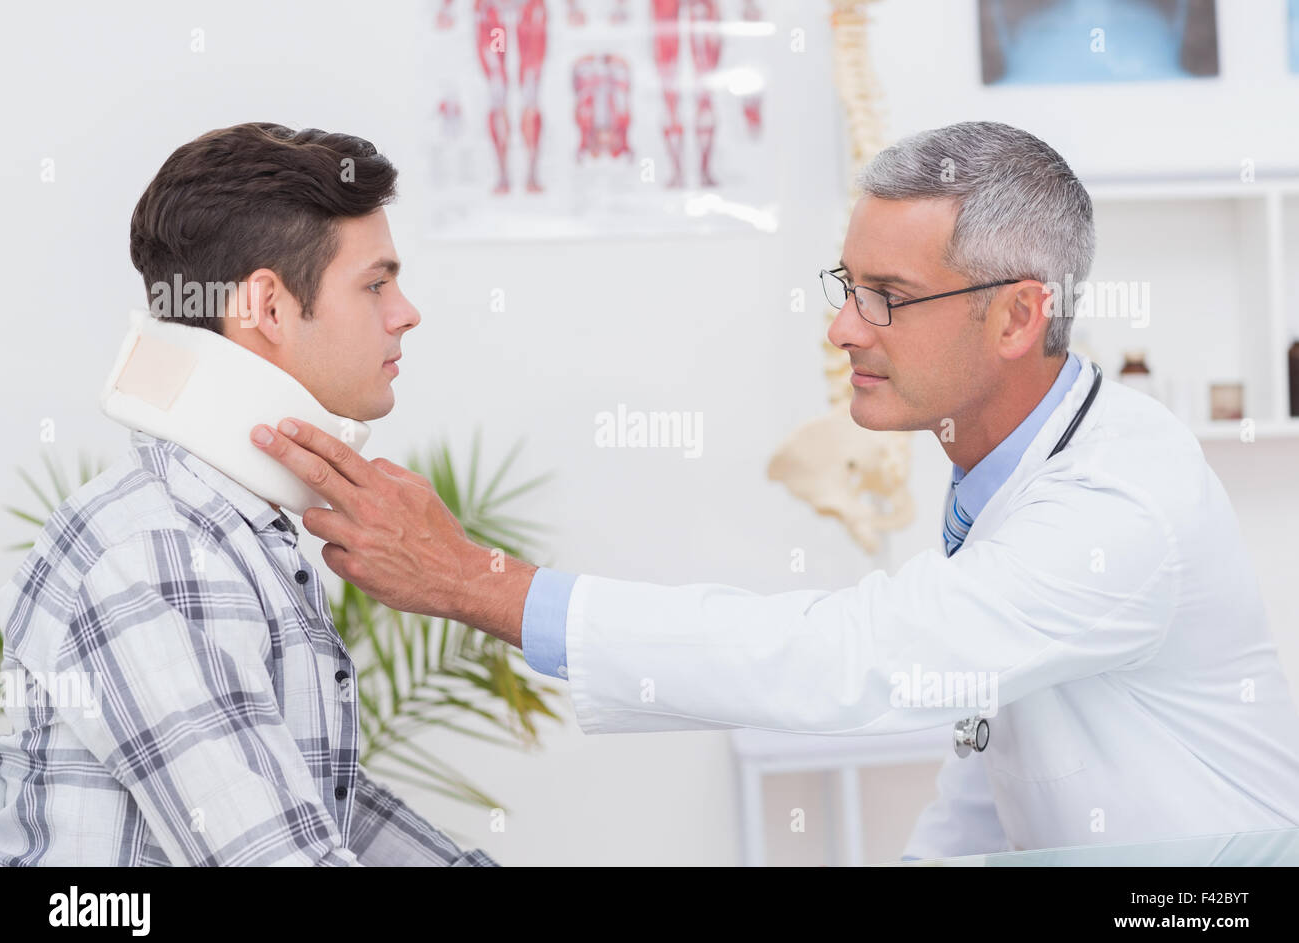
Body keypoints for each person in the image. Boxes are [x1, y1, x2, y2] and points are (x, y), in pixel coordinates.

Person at [251, 121, 1299, 858]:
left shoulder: (1117, 503)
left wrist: (478, 582)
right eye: (849, 288)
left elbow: (856, 659)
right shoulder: (1005, 473)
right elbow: (992, 756)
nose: (844, 329)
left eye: (887, 298)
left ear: (1017, 317)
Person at [0, 122, 495, 866]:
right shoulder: (157, 550)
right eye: (376, 283)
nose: (405, 312)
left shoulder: (233, 528)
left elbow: (321, 812)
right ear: (265, 307)